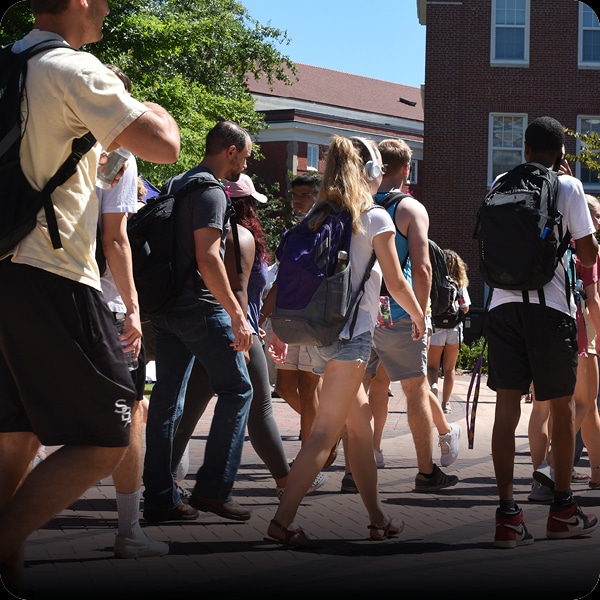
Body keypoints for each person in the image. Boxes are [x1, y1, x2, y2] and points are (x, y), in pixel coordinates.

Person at [0, 1, 179, 594]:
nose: (105, 8)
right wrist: (143, 101)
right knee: (109, 433)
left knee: (17, 435)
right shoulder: (73, 67)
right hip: (52, 272)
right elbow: (164, 144)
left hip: (6, 269)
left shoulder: (12, 64)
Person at [265, 135, 425, 548]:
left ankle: (378, 518)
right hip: (351, 339)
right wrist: (420, 313)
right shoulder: (373, 217)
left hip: (318, 334)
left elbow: (285, 278)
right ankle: (283, 520)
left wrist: (275, 328)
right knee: (323, 435)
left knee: (360, 429)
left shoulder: (316, 215)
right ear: (371, 172)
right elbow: (395, 280)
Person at [487, 116, 598, 549]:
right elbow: (586, 255)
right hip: (548, 308)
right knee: (563, 405)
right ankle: (563, 510)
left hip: (501, 305)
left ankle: (507, 517)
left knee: (506, 409)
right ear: (561, 155)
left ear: (526, 150)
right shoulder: (567, 187)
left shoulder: (499, 183)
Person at [142, 120, 254, 525]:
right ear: (230, 151)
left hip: (166, 307)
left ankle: (158, 496)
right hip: (197, 307)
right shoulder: (210, 190)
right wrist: (237, 314)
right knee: (239, 388)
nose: (247, 161)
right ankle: (213, 490)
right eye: (245, 153)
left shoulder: (177, 182)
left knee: (167, 399)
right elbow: (207, 257)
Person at [169, 174, 295, 498]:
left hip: (208, 328)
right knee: (261, 409)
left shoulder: (206, 235)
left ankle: (164, 482)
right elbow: (239, 290)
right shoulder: (241, 237)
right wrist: (245, 329)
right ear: (247, 206)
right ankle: (286, 483)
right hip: (237, 333)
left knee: (190, 409)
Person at [96, 66, 169, 559]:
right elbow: (115, 237)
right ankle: (129, 531)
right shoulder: (119, 155)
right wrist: (134, 311)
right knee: (131, 414)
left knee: (24, 419)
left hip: (34, 290)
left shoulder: (43, 138)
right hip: (101, 299)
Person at [364, 138, 460, 494]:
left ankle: (354, 466)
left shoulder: (358, 205)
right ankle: (425, 472)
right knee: (415, 389)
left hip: (360, 309)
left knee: (355, 389)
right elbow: (421, 267)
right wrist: (422, 313)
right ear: (406, 169)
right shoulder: (409, 208)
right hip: (398, 309)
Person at [259, 173, 334, 481]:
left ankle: (309, 460)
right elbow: (282, 279)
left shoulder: (330, 229)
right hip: (288, 318)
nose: (297, 200)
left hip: (314, 318)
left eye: (304, 194)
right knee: (285, 387)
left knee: (308, 386)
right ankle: (327, 435)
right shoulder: (294, 233)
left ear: (319, 195)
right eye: (295, 195)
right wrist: (263, 316)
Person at [427, 249, 471, 414]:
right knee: (449, 369)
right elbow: (465, 308)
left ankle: (433, 386)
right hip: (454, 329)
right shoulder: (459, 284)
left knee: (432, 367)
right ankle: (446, 403)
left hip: (437, 328)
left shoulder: (435, 282)